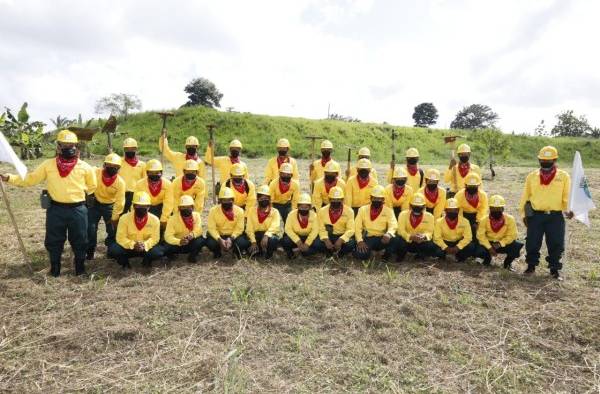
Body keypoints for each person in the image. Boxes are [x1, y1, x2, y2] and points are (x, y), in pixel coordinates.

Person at [1, 130, 96, 276]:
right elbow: (31, 179)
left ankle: (80, 267)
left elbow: (92, 187)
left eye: (71, 145)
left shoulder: (85, 167)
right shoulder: (48, 165)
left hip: (78, 209)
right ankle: (55, 268)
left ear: (77, 147)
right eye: (64, 144)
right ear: (58, 147)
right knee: (54, 240)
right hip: (56, 209)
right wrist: (10, 178)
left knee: (80, 240)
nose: (68, 147)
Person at [519, 146, 573, 280]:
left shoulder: (564, 176)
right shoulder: (532, 176)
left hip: (555, 216)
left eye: (548, 160)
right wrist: (524, 215)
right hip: (535, 215)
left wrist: (569, 210)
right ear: (539, 160)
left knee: (556, 243)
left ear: (555, 160)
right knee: (532, 242)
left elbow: (567, 196)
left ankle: (554, 270)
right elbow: (526, 197)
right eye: (542, 160)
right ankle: (531, 266)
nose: (545, 162)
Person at [109, 191, 164, 268]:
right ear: (134, 206)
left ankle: (146, 261)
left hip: (145, 249)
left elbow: (155, 238)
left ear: (149, 207)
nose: (141, 209)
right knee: (114, 250)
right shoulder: (124, 218)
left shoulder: (155, 220)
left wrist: (144, 245)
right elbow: (120, 238)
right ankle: (124, 262)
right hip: (129, 248)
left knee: (158, 252)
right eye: (138, 206)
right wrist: (133, 245)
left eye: (144, 206)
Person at [86, 153, 126, 260]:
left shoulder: (120, 183)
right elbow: (85, 171)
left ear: (119, 168)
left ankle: (111, 251)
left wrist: (114, 217)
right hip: (95, 204)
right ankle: (89, 252)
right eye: (109, 165)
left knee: (112, 230)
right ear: (104, 165)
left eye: (115, 167)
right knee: (91, 228)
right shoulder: (95, 172)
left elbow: (120, 202)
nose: (112, 168)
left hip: (110, 206)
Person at [475, 195, 523, 270]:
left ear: (503, 209)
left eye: (498, 208)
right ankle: (486, 260)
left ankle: (507, 264)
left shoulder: (510, 219)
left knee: (516, 246)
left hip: (502, 243)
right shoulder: (484, 220)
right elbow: (480, 236)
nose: (496, 211)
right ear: (490, 209)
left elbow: (512, 235)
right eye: (493, 208)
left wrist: (500, 243)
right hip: (488, 243)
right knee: (479, 250)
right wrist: (489, 247)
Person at [354, 185, 398, 260]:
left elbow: (393, 224)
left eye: (379, 199)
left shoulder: (388, 210)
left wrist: (389, 233)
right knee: (360, 255)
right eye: (375, 198)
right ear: (371, 198)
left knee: (397, 241)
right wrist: (360, 241)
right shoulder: (362, 209)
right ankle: (374, 252)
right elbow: (357, 227)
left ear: (383, 199)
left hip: (382, 238)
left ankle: (382, 253)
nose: (377, 200)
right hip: (368, 238)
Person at [237, 185, 282, 259]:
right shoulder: (251, 210)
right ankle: (258, 250)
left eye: (266, 198)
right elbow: (249, 228)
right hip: (255, 236)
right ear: (258, 199)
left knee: (273, 240)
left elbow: (276, 226)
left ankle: (269, 253)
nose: (264, 200)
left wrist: (266, 235)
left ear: (270, 199)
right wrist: (253, 242)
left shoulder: (275, 212)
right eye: (261, 198)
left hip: (268, 236)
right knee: (251, 252)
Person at [205, 187, 246, 258]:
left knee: (242, 242)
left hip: (233, 236)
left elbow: (239, 228)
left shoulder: (240, 211)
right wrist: (219, 239)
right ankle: (217, 252)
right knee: (210, 243)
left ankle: (236, 252)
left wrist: (231, 239)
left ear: (233, 200)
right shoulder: (213, 211)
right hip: (219, 235)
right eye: (224, 200)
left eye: (229, 200)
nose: (227, 202)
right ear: (220, 201)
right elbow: (211, 228)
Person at [395, 193, 437, 261]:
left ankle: (420, 256)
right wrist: (410, 237)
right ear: (410, 205)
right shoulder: (403, 214)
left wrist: (424, 236)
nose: (417, 207)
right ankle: (401, 256)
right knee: (398, 240)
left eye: (420, 206)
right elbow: (400, 230)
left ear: (424, 206)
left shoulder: (430, 216)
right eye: (415, 205)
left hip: (421, 242)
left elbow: (430, 232)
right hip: (407, 241)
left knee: (431, 244)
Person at [163, 195, 205, 263]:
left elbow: (199, 230)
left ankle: (192, 256)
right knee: (166, 245)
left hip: (191, 242)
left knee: (201, 240)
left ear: (192, 207)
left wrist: (192, 235)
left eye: (188, 207)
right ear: (179, 208)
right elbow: (168, 236)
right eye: (183, 207)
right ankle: (171, 255)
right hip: (177, 245)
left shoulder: (197, 215)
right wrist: (179, 241)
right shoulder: (172, 218)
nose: (186, 209)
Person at [432, 198, 476, 262]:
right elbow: (436, 238)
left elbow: (468, 237)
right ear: (445, 210)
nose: (452, 212)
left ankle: (458, 256)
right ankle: (445, 255)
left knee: (471, 246)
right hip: (445, 242)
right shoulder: (439, 222)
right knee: (435, 249)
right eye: (450, 210)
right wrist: (445, 247)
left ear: (458, 210)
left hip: (458, 242)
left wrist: (458, 247)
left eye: (455, 210)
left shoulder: (465, 221)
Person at [317, 186, 356, 256]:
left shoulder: (349, 211)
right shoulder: (322, 211)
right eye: (333, 199)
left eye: (338, 199)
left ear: (342, 200)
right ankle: (329, 251)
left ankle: (340, 253)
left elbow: (351, 229)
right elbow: (321, 228)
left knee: (351, 243)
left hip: (341, 235)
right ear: (329, 199)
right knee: (316, 243)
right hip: (328, 236)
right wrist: (326, 239)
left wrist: (341, 239)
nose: (336, 201)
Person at [281, 193, 323, 259]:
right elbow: (288, 229)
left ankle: (299, 251)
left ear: (310, 207)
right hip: (296, 237)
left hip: (308, 237)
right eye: (301, 207)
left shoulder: (314, 215)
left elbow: (315, 231)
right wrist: (298, 241)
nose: (303, 209)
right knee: (285, 241)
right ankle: (296, 252)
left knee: (319, 243)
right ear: (298, 206)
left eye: (306, 207)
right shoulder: (291, 214)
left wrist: (307, 243)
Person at [135, 159, 171, 229]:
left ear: (161, 173)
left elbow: (168, 203)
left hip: (161, 207)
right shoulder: (139, 184)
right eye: (151, 172)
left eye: (157, 172)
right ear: (147, 173)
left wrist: (164, 219)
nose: (154, 175)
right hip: (146, 208)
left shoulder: (168, 184)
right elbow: (136, 202)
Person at [455, 173, 488, 240]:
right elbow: (457, 209)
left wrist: (477, 222)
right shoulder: (459, 195)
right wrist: (461, 222)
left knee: (478, 232)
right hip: (463, 215)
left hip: (476, 216)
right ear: (465, 185)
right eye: (470, 186)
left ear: (478, 185)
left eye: (474, 186)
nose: (472, 188)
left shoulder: (483, 195)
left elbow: (483, 209)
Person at [120, 138, 146, 213]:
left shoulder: (142, 165)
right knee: (119, 216)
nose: (130, 151)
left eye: (132, 149)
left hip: (136, 194)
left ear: (136, 149)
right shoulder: (119, 162)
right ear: (124, 150)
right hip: (122, 194)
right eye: (127, 149)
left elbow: (145, 181)